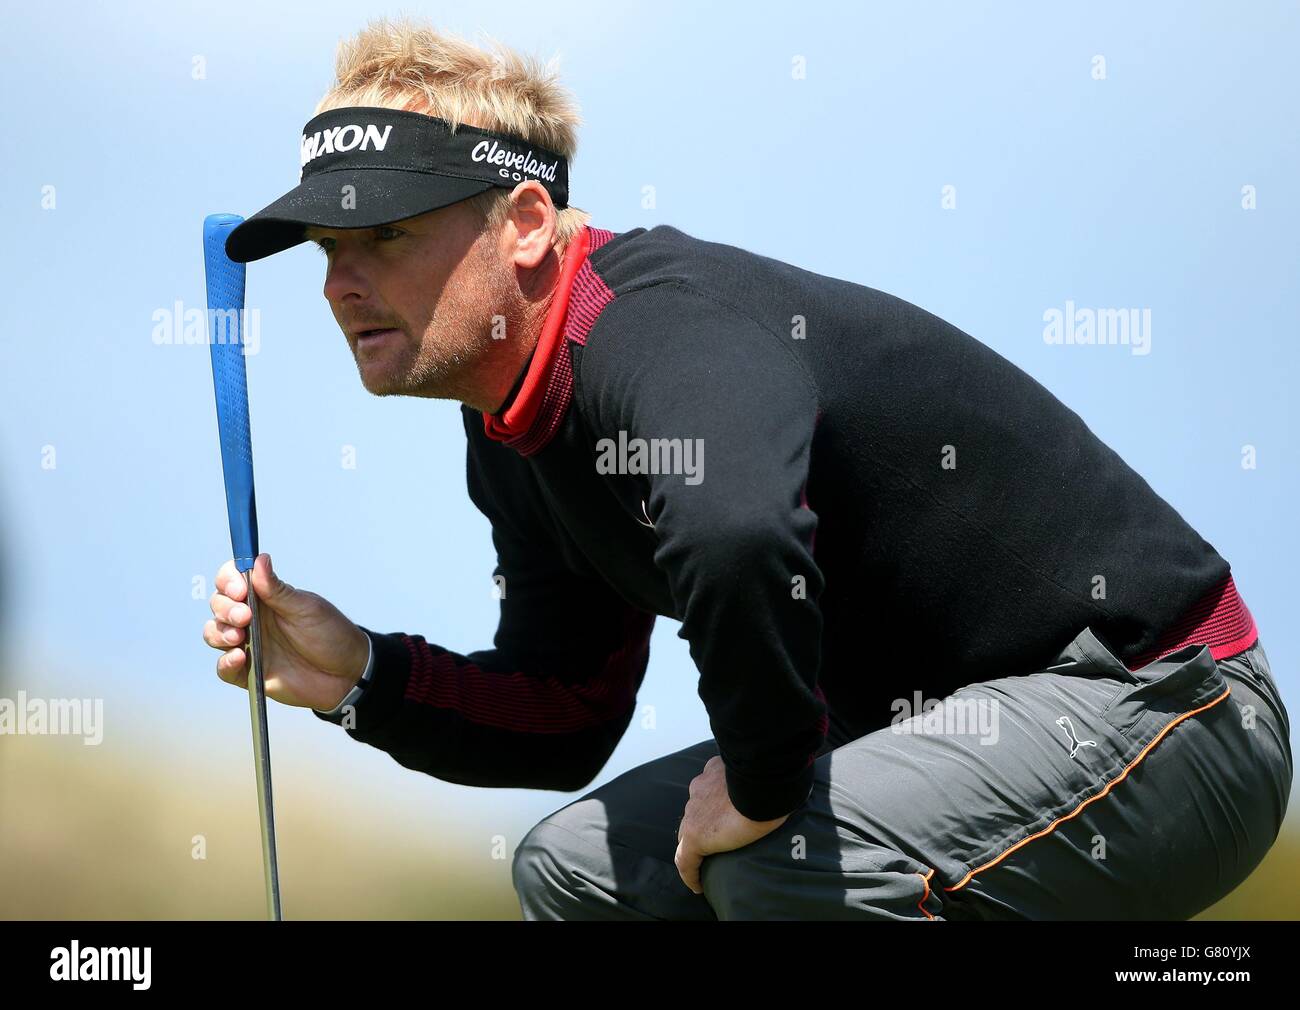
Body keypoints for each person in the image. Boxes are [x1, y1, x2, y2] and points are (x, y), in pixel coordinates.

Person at [201, 18, 1292, 920]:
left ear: (527, 222)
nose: (340, 282)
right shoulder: (513, 430)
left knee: (767, 861)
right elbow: (568, 710)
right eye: (328, 249)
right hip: (956, 741)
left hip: (1166, 709)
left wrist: (766, 779)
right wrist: (363, 682)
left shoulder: (657, 332)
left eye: (381, 235)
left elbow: (735, 535)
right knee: (573, 872)